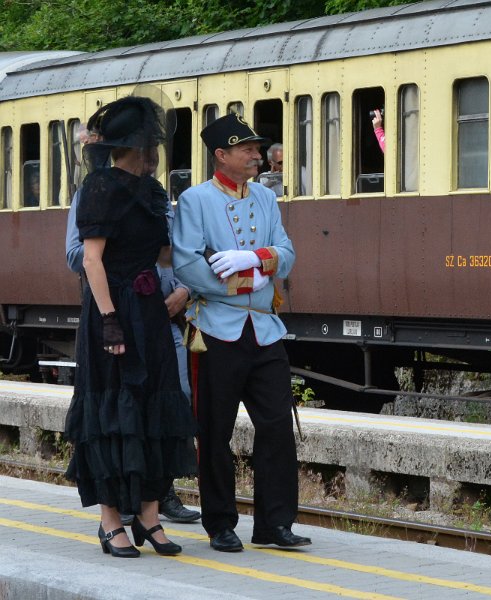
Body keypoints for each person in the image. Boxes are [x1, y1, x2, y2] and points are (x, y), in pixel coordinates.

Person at [64, 95, 197, 558]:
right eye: (149, 145)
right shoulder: (99, 187)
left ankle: (148, 517)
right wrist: (109, 321)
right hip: (113, 309)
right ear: (133, 147)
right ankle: (109, 523)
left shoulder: (153, 192)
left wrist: (200, 253)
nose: (155, 153)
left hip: (148, 309)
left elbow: (163, 256)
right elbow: (92, 261)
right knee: (110, 412)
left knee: (154, 405)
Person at [173, 113, 309, 553]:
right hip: (217, 328)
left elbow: (286, 253)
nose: (257, 155)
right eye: (247, 149)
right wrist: (247, 281)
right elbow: (187, 263)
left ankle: (274, 523)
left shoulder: (266, 198)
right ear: (221, 155)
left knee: (277, 426)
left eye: (257, 148)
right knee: (215, 431)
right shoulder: (195, 200)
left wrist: (255, 258)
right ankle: (220, 523)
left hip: (264, 329)